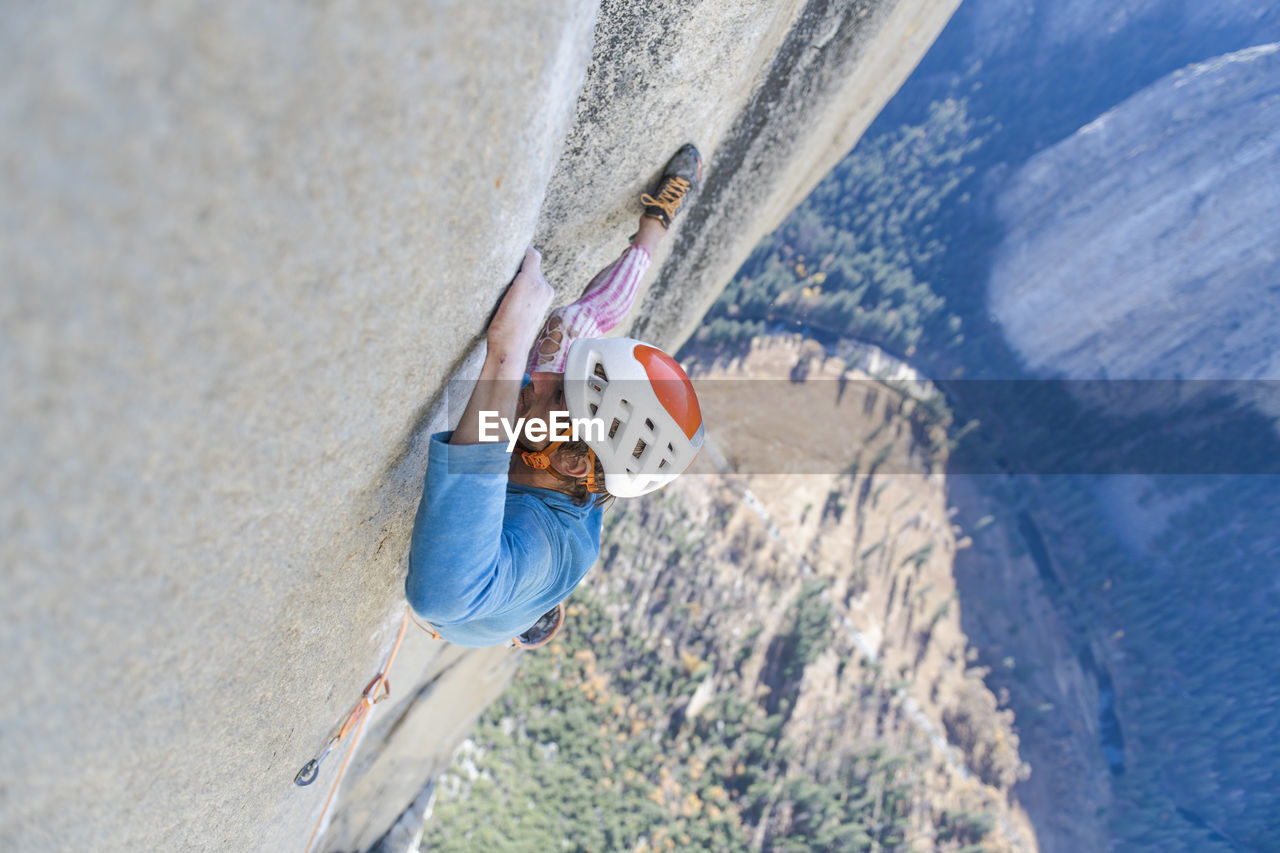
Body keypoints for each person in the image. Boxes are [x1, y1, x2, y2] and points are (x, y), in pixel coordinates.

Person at [406, 145, 707, 648]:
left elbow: (441, 598)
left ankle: (530, 611)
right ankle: (653, 228)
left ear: (569, 462)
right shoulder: (581, 464)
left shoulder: (540, 544)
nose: (541, 379)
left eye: (560, 393)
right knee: (569, 329)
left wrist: (507, 352)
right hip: (550, 536)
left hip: (487, 605)